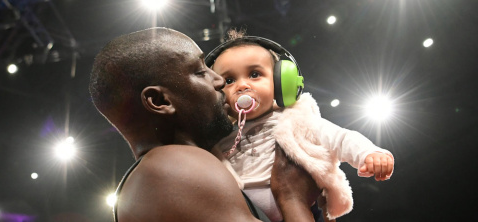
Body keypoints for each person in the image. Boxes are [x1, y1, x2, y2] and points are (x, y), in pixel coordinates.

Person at [89, 27, 321, 222]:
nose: (218, 80)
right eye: (200, 71)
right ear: (160, 101)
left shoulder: (162, 172)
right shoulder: (172, 167)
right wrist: (292, 198)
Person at [206, 30, 395, 221]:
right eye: (229, 80)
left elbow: (341, 138)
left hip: (305, 209)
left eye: (254, 74)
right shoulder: (218, 137)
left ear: (282, 82)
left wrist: (369, 154)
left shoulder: (297, 120)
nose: (242, 85)